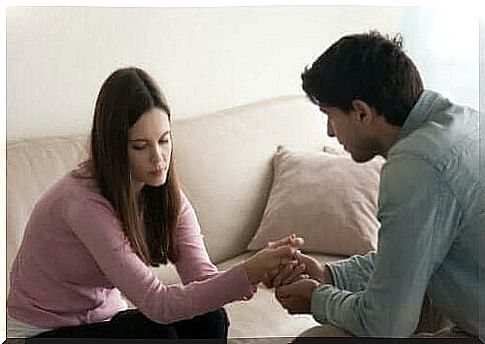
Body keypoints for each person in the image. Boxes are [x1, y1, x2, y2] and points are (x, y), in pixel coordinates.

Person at [6, 67, 302, 339]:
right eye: (140, 146)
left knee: (211, 318)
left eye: (164, 140)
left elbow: (202, 279)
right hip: (41, 331)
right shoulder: (83, 202)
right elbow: (158, 305)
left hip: (103, 320)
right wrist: (248, 272)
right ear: (113, 147)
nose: (158, 158)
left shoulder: (165, 196)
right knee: (156, 335)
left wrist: (260, 270)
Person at [266, 31, 482, 338]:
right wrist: (330, 275)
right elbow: (408, 256)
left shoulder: (416, 166)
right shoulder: (465, 122)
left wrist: (317, 299)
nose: (329, 132)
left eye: (329, 115)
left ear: (361, 112)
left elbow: (386, 326)